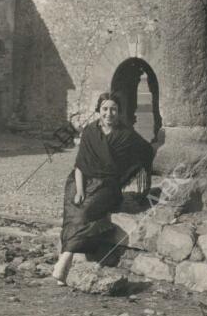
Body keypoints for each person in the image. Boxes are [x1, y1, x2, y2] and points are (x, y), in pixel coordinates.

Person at [52, 91, 154, 285]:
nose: (109, 114)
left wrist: (136, 174)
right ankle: (66, 260)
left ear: (119, 112)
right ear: (98, 110)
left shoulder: (127, 136)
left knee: (85, 213)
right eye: (105, 109)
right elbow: (80, 165)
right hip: (80, 180)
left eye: (113, 109)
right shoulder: (90, 132)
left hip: (107, 186)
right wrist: (80, 191)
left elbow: (146, 151)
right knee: (73, 209)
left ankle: (65, 258)